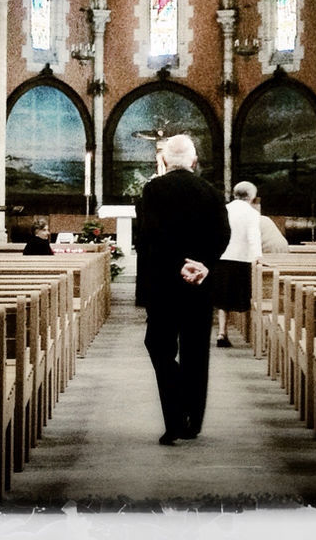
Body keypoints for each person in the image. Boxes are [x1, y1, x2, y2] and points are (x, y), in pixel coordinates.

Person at [134, 133, 230, 445]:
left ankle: (174, 418)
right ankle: (193, 422)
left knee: (159, 346)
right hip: (199, 284)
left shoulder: (153, 189)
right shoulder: (212, 192)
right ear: (193, 160)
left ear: (163, 160)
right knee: (196, 351)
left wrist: (177, 264)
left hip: (163, 283)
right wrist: (203, 264)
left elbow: (150, 235)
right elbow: (222, 233)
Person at [214, 181, 263, 346]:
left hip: (222, 258)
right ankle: (250, 335)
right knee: (246, 297)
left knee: (223, 298)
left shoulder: (225, 210)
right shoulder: (251, 213)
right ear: (252, 196)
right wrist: (258, 256)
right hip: (242, 259)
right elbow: (253, 236)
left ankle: (222, 332)